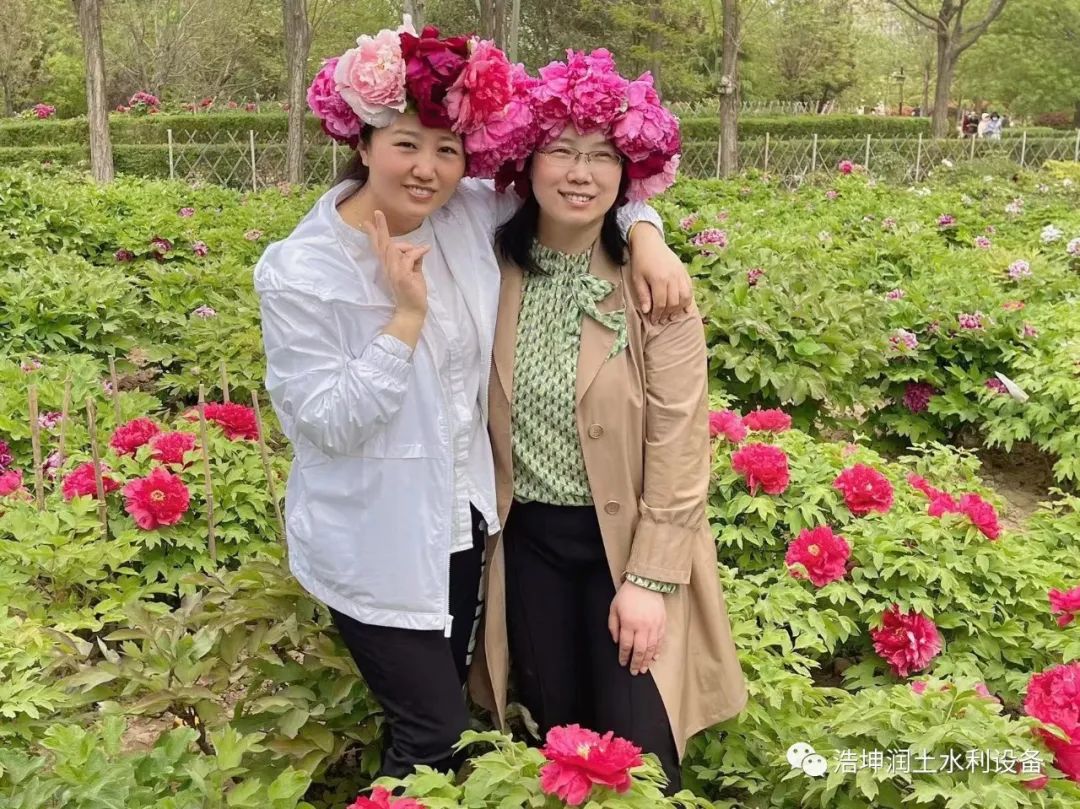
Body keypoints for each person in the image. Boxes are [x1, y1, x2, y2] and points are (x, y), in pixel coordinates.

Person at [254, 21, 692, 780]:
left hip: (464, 529)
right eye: (406, 144)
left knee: (458, 730)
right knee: (433, 732)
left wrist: (647, 231)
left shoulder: (463, 217)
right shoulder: (302, 271)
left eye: (447, 149)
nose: (427, 168)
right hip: (377, 538)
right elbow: (324, 425)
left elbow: (575, 186)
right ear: (362, 143)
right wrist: (404, 323)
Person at [469, 49, 748, 794]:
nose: (580, 173)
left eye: (602, 156)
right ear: (526, 162)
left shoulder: (654, 288)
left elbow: (681, 442)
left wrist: (649, 580)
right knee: (556, 742)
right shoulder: (488, 272)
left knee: (640, 752)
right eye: (561, 151)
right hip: (528, 546)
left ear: (629, 175)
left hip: (624, 546)